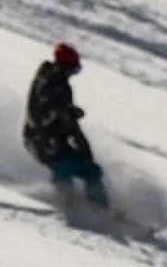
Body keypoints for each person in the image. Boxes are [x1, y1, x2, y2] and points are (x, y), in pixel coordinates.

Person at [23, 42, 110, 210]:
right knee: (88, 170)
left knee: (67, 164)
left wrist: (69, 114)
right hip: (43, 140)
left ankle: (67, 198)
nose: (74, 72)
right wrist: (66, 112)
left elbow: (64, 119)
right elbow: (47, 110)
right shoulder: (50, 84)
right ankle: (97, 208)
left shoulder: (53, 80)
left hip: (44, 140)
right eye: (73, 67)